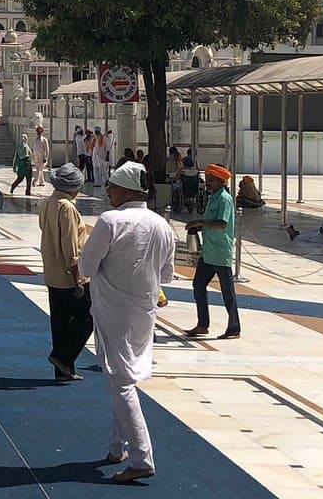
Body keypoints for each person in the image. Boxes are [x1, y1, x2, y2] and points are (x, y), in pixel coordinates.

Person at [77, 160, 174, 483]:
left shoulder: (110, 221)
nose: (108, 191)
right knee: (122, 377)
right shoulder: (162, 224)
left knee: (120, 381)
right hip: (144, 312)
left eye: (113, 185)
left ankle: (141, 456)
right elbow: (166, 275)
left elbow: (87, 267)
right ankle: (116, 445)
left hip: (112, 311)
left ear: (129, 189)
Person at [38, 162, 91, 382]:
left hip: (51, 271)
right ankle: (62, 357)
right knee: (87, 317)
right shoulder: (67, 207)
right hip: (68, 275)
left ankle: (63, 370)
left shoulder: (48, 203)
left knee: (59, 323)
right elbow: (70, 244)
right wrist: (76, 276)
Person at [183, 163, 241, 340]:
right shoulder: (213, 197)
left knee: (227, 291)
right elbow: (210, 222)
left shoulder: (224, 199)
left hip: (220, 251)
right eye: (207, 179)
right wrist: (199, 228)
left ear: (221, 181)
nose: (208, 183)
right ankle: (203, 324)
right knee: (198, 285)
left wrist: (199, 222)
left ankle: (234, 327)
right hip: (209, 252)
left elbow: (221, 223)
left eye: (212, 180)